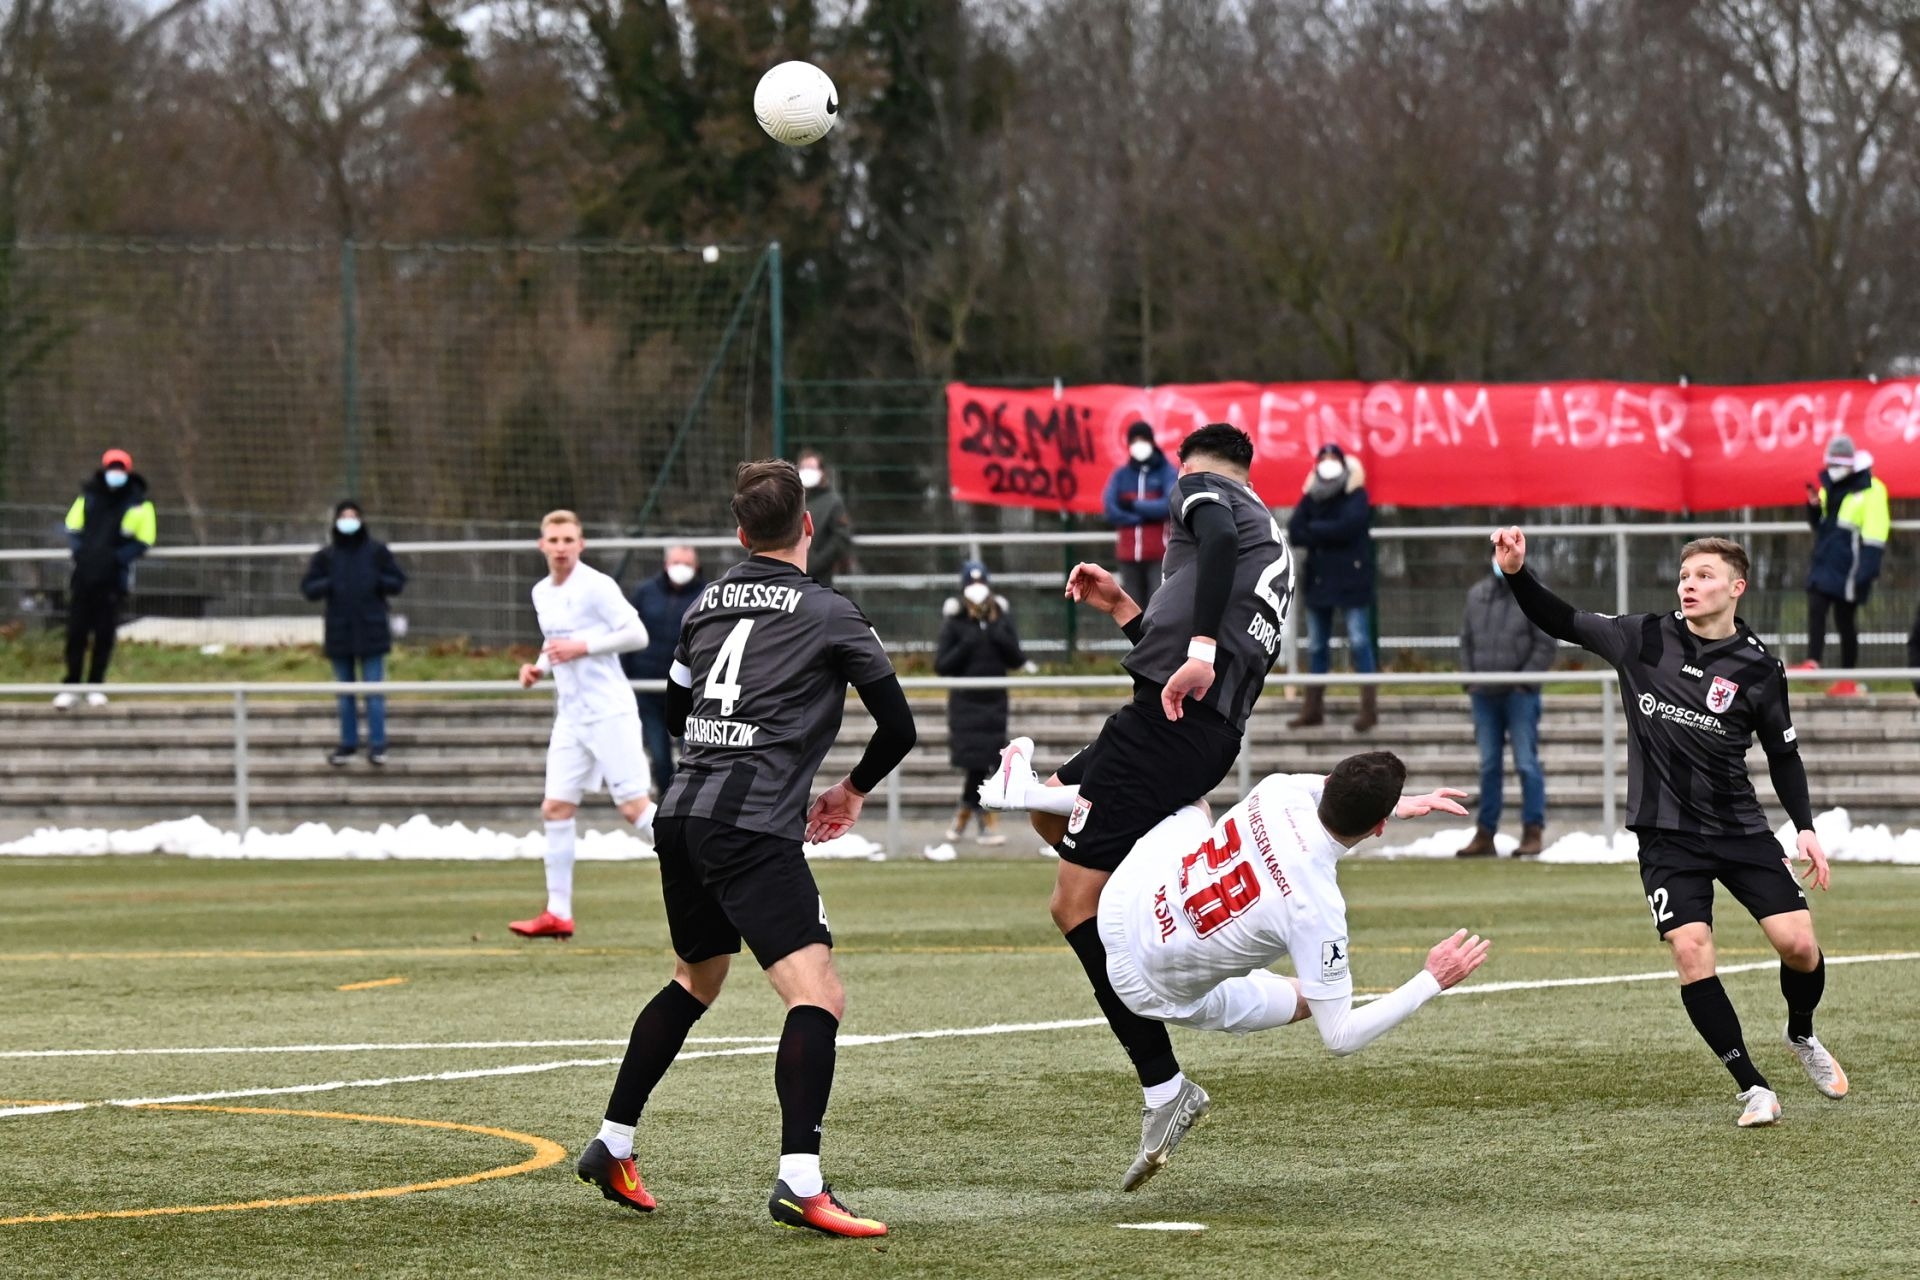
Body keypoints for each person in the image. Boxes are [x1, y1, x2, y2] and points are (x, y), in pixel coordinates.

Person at [575, 460, 916, 1237]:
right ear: (808, 527)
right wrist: (851, 788)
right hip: (751, 823)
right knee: (817, 995)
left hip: (682, 813)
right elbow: (898, 726)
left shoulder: (704, 604)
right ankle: (801, 1182)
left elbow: (674, 714)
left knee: (695, 979)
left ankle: (613, 1142)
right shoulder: (830, 611)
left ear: (739, 535)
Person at [978, 422, 1292, 1191]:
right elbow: (1200, 612)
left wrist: (1199, 653)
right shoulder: (1269, 533)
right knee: (1052, 814)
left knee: (1070, 903)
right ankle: (1163, 903)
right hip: (1193, 729)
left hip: (1167, 725)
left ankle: (1163, 1079)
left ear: (1194, 466)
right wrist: (1124, 606)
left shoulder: (1205, 493)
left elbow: (1212, 555)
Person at [1494, 527, 1845, 1127]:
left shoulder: (1760, 668)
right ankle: (1753, 1086)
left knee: (1799, 946)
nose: (1690, 585)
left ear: (1736, 587)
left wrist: (1805, 827)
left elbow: (1783, 753)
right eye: (1685, 576)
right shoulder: (1642, 636)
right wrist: (1516, 573)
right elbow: (1563, 620)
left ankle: (1801, 1033)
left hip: (1739, 829)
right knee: (1690, 949)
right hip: (1666, 835)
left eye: (1705, 576)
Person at [1097, 754, 1489, 1129]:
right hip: (1147, 988)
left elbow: (1326, 788)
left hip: (1120, 909)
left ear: (1331, 781)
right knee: (1308, 999)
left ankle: (1063, 798)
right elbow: (1340, 1037)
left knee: (1195, 807)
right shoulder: (1317, 906)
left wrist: (1389, 805)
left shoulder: (1277, 790)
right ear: (1379, 828)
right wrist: (1432, 979)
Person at [510, 511, 656, 940]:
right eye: (553, 540)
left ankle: (706, 870)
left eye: (568, 539)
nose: (560, 547)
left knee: (634, 808)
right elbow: (553, 641)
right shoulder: (541, 592)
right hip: (571, 716)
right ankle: (558, 913)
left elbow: (637, 635)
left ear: (581, 544)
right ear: (542, 545)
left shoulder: (597, 586)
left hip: (609, 710)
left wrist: (583, 647)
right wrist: (537, 668)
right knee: (555, 808)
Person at [1456, 555, 1556, 857]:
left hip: (1519, 695)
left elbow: (1546, 642)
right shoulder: (1477, 594)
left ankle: (1533, 831)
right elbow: (1466, 640)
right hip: (1484, 694)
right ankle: (1485, 834)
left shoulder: (1535, 593)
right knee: (1489, 766)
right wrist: (1471, 681)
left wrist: (1524, 682)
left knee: (1526, 763)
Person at [301, 501, 407, 766]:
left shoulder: (376, 552)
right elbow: (309, 588)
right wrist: (330, 584)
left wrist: (377, 582)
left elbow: (397, 581)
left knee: (373, 692)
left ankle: (377, 745)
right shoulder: (327, 556)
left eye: (353, 516)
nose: (348, 521)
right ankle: (348, 744)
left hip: (372, 630)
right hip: (340, 631)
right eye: (344, 516)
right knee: (345, 694)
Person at [54, 448, 156, 709]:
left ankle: (95, 685)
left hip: (113, 579)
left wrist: (116, 559)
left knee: (104, 634)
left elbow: (145, 539)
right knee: (76, 633)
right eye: (112, 467)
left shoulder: (140, 504)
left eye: (120, 468)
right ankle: (72, 686)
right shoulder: (88, 497)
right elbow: (73, 528)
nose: (116, 472)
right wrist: (83, 554)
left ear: (128, 471)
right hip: (84, 576)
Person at [1286, 443, 1378, 732]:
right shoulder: (1311, 496)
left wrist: (1316, 529)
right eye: (1322, 458)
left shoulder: (1356, 494)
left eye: (1332, 458)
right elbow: (1295, 530)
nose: (1327, 463)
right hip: (1319, 580)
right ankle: (1312, 709)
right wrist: (1327, 531)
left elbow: (1350, 526)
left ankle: (1369, 709)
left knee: (1360, 641)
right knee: (1316, 645)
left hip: (1352, 579)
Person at [934, 560, 1025, 846]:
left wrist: (995, 631)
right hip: (966, 703)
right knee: (976, 763)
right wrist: (969, 640)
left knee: (988, 761)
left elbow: (1017, 658)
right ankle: (978, 818)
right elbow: (942, 665)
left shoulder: (1001, 618)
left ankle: (966, 815)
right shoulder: (955, 621)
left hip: (994, 703)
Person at [1797, 434, 1890, 697]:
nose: (1833, 469)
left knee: (1844, 620)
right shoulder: (1829, 486)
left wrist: (1867, 569)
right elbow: (1820, 524)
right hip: (1825, 559)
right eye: (1830, 464)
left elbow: (1876, 530)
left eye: (1838, 464)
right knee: (1816, 605)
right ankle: (1812, 661)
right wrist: (1813, 507)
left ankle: (1847, 679)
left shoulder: (1872, 488)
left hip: (1852, 565)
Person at [623, 545, 706, 797]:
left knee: (692, 753)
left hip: (689, 693)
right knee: (659, 756)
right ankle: (666, 802)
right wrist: (626, 676)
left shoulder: (706, 595)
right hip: (648, 690)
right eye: (676, 562)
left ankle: (689, 802)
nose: (681, 568)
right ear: (665, 565)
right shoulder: (645, 593)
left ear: (696, 567)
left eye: (687, 564)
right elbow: (628, 634)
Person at [1102, 421, 1179, 608]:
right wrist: (1143, 518)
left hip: (1160, 556)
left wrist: (1132, 505)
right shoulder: (1120, 476)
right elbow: (1110, 509)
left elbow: (1168, 505)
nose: (1139, 445)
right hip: (1128, 556)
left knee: (1158, 607)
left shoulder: (1167, 472)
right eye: (1134, 441)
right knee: (1132, 610)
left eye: (1143, 440)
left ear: (1152, 442)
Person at [796, 449, 853, 589]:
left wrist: (816, 562)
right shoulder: (792, 499)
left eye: (811, 468)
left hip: (820, 579)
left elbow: (841, 538)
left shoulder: (832, 502)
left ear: (822, 472)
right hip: (791, 576)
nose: (807, 472)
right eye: (804, 468)